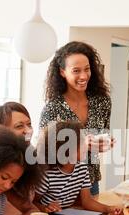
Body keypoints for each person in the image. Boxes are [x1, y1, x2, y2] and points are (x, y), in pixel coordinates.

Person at [39, 41, 114, 197]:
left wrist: (103, 144)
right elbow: (44, 153)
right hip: (60, 187)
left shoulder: (102, 102)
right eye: (76, 71)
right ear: (62, 72)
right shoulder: (53, 108)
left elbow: (103, 133)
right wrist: (82, 146)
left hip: (91, 182)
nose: (83, 76)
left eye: (87, 69)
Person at [34, 121, 123, 215]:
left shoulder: (82, 169)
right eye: (81, 141)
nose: (86, 144)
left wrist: (109, 209)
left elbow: (87, 202)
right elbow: (33, 202)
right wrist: (44, 208)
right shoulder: (48, 174)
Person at [0, 102, 39, 215]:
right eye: (19, 126)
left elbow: (33, 208)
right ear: (1, 131)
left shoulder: (28, 157)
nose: (28, 131)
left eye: (29, 124)